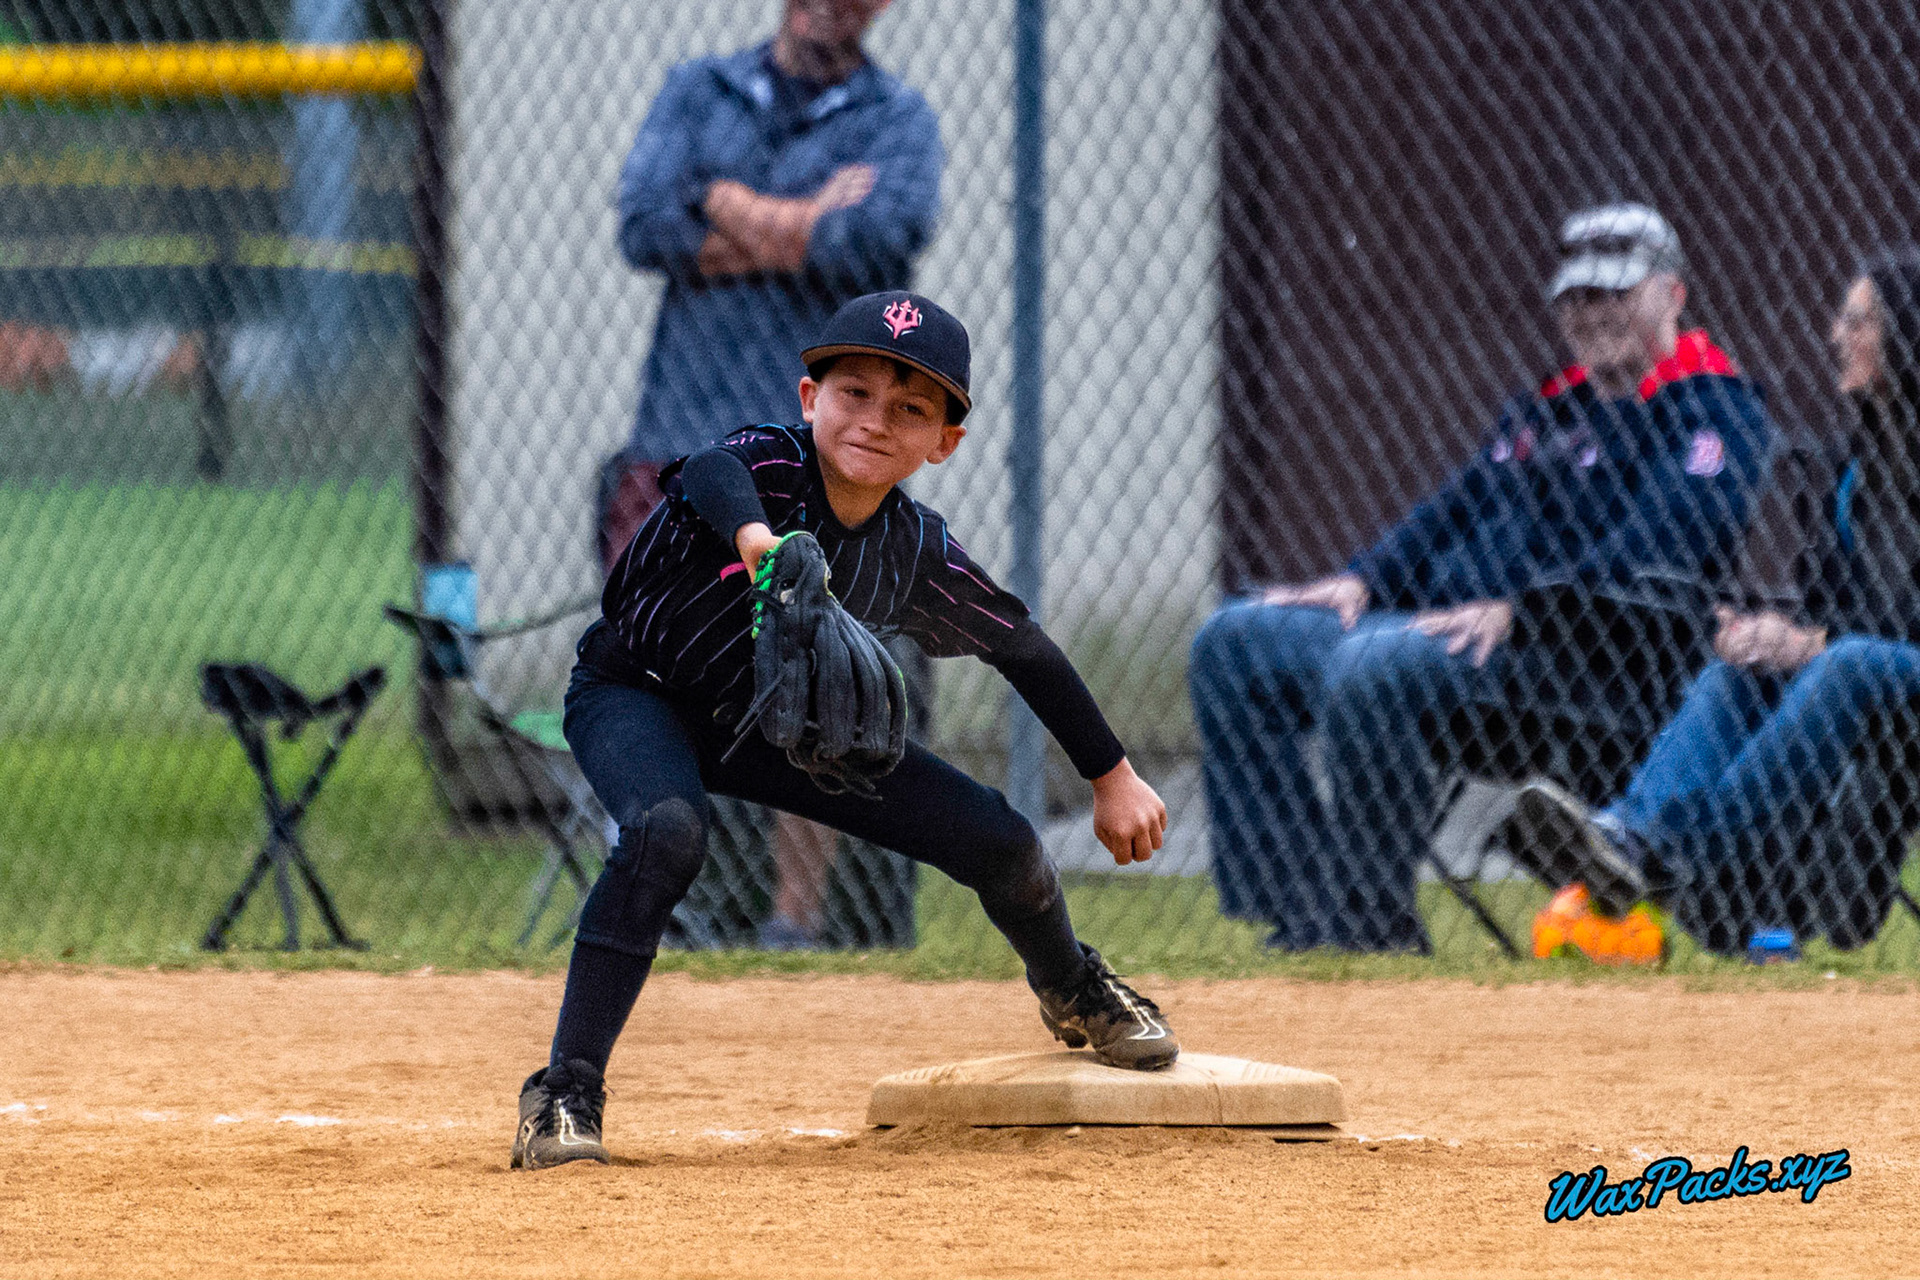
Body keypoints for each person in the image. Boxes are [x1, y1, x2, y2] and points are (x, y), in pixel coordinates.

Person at [511, 292, 1178, 1170]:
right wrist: (756, 539)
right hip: (635, 692)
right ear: (809, 399)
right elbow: (708, 469)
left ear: (945, 442)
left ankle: (1073, 985)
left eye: (910, 409)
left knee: (1003, 842)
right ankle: (564, 1091)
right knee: (665, 833)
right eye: (854, 393)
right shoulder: (766, 466)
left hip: (781, 732)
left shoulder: (912, 551)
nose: (874, 420)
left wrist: (1111, 776)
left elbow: (1020, 646)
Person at [1189, 203, 1775, 952]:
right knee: (1234, 642)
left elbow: (1664, 546)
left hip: (1577, 662)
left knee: (1372, 665)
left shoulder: (1715, 407)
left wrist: (1523, 608)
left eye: (1613, 292)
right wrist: (1365, 580)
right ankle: (1301, 913)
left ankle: (1370, 922)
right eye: (1577, 295)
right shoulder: (1550, 407)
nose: (1591, 312)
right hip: (1455, 633)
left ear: (1672, 294)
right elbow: (1454, 507)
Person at [609, 0, 944, 949]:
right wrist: (802, 220)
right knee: (652, 665)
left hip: (823, 454)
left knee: (823, 655)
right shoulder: (700, 89)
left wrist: (720, 200)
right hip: (683, 438)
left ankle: (794, 920)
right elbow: (645, 223)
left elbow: (872, 244)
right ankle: (660, 903)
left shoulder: (895, 118)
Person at [1497, 249, 1920, 956]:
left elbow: (1856, 637)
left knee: (1846, 663)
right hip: (1873, 675)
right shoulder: (1862, 463)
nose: (1837, 335)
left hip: (1885, 673)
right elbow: (1829, 599)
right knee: (1742, 672)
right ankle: (1630, 835)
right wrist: (1768, 632)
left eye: (1858, 322)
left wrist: (1814, 643)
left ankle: (1668, 855)